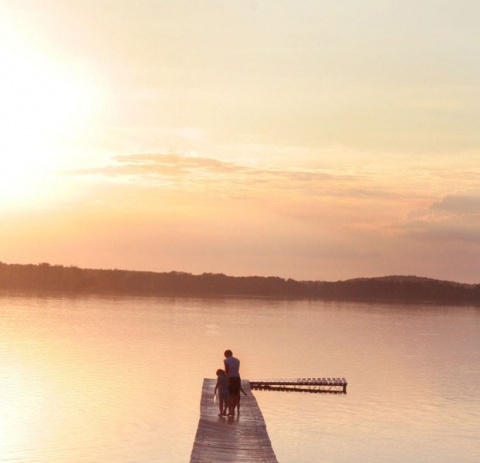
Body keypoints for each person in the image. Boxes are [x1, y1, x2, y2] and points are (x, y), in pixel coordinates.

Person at [223, 349, 241, 416]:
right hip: (237, 378)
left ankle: (230, 411)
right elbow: (237, 370)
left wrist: (226, 379)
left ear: (226, 354)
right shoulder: (237, 360)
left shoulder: (226, 361)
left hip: (230, 378)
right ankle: (233, 409)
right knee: (236, 396)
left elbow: (226, 370)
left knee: (230, 396)